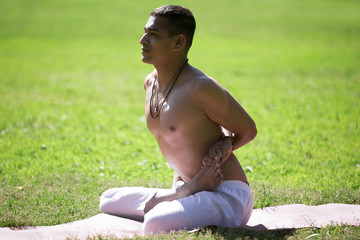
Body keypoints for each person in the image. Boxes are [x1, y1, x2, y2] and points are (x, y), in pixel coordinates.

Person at [99, 5, 257, 235]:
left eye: (153, 34)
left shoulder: (199, 87)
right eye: (145, 32)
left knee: (154, 222)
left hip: (227, 195)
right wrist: (188, 188)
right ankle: (179, 195)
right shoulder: (150, 83)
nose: (143, 40)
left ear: (178, 43)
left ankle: (177, 198)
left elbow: (248, 130)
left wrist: (227, 144)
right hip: (190, 187)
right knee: (108, 199)